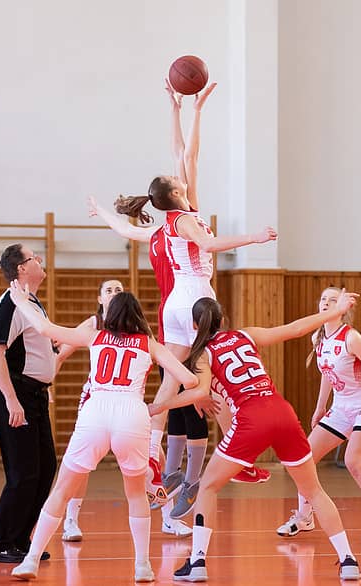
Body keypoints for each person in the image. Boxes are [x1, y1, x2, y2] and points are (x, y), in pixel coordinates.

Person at [108, 80, 277, 517]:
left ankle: (150, 449)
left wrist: (183, 108)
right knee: (215, 377)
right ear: (177, 194)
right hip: (198, 300)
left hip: (174, 306)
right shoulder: (187, 220)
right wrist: (256, 238)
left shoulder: (163, 222)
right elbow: (214, 243)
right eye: (181, 180)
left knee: (174, 380)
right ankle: (236, 456)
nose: (186, 172)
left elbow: (184, 152)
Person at [151, 293, 361, 582]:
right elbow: (294, 329)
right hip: (282, 411)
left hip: (252, 419)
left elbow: (198, 393)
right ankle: (348, 560)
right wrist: (334, 312)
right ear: (223, 320)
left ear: (193, 325)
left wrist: (158, 406)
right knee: (313, 490)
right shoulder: (245, 335)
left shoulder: (202, 354)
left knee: (208, 487)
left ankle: (197, 562)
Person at [6, 283, 202, 582]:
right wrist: (162, 403)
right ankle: (143, 566)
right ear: (138, 315)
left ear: (110, 314)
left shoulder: (96, 335)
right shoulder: (149, 344)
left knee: (61, 490)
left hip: (96, 410)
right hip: (132, 414)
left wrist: (21, 301)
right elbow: (189, 381)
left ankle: (31, 560)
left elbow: (46, 329)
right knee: (136, 495)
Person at [277, 286, 361, 544]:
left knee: (354, 461)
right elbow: (327, 375)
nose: (325, 303)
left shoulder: (351, 338)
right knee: (304, 458)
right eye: (323, 299)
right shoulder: (318, 338)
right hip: (341, 407)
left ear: (343, 309)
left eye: (333, 300)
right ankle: (304, 516)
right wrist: (320, 407)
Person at [0, 244, 58, 564]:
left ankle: (19, 539)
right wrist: (13, 400)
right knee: (23, 473)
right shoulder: (11, 302)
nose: (40, 260)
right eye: (34, 257)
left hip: (35, 396)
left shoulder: (31, 302)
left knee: (44, 470)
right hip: (17, 396)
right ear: (21, 269)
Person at [55, 278, 125, 542]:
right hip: (96, 400)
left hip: (125, 401)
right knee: (82, 464)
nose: (115, 293)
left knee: (155, 453)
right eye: (109, 290)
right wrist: (45, 386)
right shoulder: (94, 324)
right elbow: (61, 353)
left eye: (119, 289)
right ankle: (71, 520)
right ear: (100, 299)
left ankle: (168, 516)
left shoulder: (136, 324)